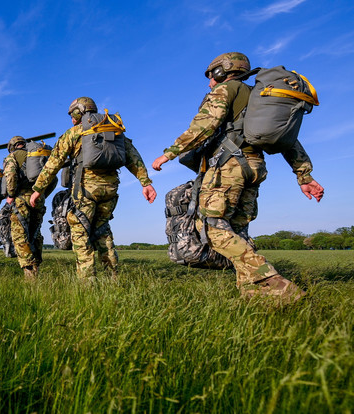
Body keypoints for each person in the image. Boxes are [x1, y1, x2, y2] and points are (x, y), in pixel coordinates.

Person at [152, 52, 324, 301]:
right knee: (237, 231)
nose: (210, 82)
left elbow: (204, 125)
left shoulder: (226, 89)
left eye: (211, 75)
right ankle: (253, 295)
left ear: (222, 70)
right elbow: (289, 140)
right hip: (254, 166)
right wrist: (304, 176)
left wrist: (169, 153)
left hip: (228, 166)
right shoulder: (259, 99)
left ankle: (273, 281)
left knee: (212, 228)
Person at [30, 97, 156, 283]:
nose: (72, 119)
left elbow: (53, 163)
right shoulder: (114, 128)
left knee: (80, 234)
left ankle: (88, 283)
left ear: (78, 112)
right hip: (110, 190)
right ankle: (113, 278)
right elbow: (133, 157)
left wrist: (38, 189)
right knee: (103, 231)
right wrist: (145, 183)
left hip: (85, 191)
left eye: (72, 114)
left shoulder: (75, 132)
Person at [3, 136, 46, 280]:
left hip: (21, 199)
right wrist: (40, 193)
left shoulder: (12, 156)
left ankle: (30, 275)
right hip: (38, 198)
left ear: (12, 146)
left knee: (20, 235)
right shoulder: (37, 154)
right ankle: (37, 267)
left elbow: (10, 175)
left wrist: (11, 194)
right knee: (35, 234)